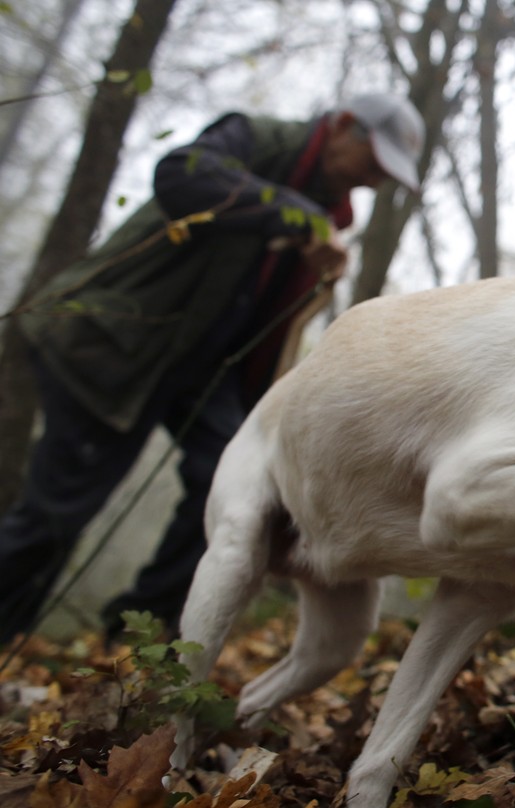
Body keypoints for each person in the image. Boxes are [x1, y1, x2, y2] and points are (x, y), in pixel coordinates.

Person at [0, 92, 425, 644]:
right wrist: (296, 218)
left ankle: (133, 642)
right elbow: (181, 174)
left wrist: (316, 262)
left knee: (231, 488)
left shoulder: (328, 214)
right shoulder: (257, 140)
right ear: (344, 126)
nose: (372, 182)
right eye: (374, 164)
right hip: (112, 348)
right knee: (55, 516)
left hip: (198, 370)